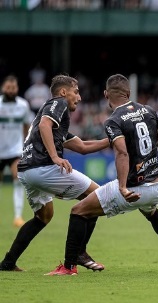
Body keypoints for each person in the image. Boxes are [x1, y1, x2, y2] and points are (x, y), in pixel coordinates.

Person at [46, 74, 158, 276]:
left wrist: (122, 187)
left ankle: (68, 267)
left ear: (105, 94)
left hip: (134, 188)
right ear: (128, 93)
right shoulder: (148, 110)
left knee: (79, 211)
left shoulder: (114, 120)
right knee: (151, 212)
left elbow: (121, 152)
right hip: (157, 186)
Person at [0, 74, 109, 272]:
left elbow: (83, 146)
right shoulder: (57, 103)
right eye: (76, 92)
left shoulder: (55, 121)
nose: (79, 97)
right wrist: (55, 157)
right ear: (63, 92)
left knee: (43, 217)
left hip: (27, 172)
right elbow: (44, 125)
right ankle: (79, 252)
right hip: (42, 167)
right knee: (97, 196)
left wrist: (114, 139)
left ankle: (8, 262)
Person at [0, 75, 33, 227]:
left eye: (13, 88)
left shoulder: (23, 105)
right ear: (3, 88)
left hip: (15, 150)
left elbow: (26, 126)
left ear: (17, 89)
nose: (11, 90)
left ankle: (18, 217)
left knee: (18, 179)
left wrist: (25, 145)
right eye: (8, 87)